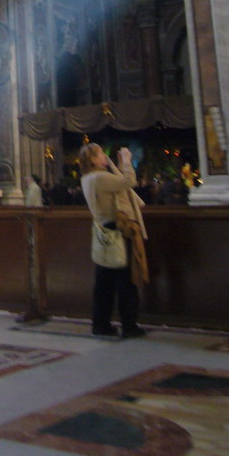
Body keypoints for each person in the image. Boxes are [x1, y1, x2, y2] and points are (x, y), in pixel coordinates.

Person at [79, 143, 148, 339]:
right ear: (92, 159)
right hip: (118, 231)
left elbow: (116, 183)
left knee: (104, 283)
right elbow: (128, 182)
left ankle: (100, 324)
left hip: (102, 231)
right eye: (100, 153)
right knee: (126, 281)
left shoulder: (88, 178)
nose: (104, 156)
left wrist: (116, 164)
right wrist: (126, 161)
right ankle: (129, 326)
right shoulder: (100, 178)